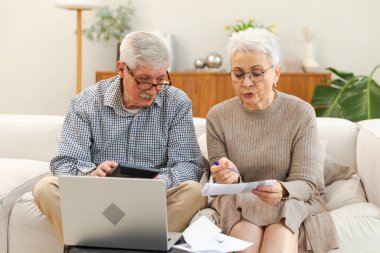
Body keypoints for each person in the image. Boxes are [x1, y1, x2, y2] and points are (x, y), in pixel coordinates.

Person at [33, 31, 208, 244]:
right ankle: (123, 244)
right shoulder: (86, 103)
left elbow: (190, 164)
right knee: (45, 188)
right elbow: (65, 162)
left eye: (160, 80)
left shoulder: (176, 102)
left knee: (195, 192)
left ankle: (103, 245)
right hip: (97, 198)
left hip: (153, 200)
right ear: (121, 69)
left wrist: (159, 182)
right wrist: (92, 174)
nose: (153, 91)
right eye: (144, 81)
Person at [206, 28, 338, 253]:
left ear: (276, 73)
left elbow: (306, 183)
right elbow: (222, 177)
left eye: (256, 73)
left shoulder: (300, 112)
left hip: (288, 200)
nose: (246, 83)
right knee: (244, 238)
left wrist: (283, 190)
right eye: (238, 74)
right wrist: (226, 175)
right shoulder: (217, 116)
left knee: (279, 236)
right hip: (240, 202)